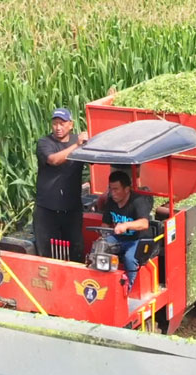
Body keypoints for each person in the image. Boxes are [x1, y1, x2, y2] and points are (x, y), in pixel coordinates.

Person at [34, 108, 88, 262]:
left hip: (72, 210)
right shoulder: (45, 143)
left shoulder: (79, 141)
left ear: (71, 125)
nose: (58, 127)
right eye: (55, 124)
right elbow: (54, 160)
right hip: (47, 210)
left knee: (76, 252)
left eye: (62, 124)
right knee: (46, 255)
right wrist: (77, 146)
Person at [96, 170, 150, 293]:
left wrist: (126, 225)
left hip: (137, 240)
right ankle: (102, 284)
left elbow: (144, 223)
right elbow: (105, 224)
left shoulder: (138, 201)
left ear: (126, 189)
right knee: (99, 248)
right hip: (118, 239)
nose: (113, 193)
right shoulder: (111, 202)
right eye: (111, 189)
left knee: (129, 258)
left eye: (116, 189)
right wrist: (102, 236)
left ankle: (128, 289)